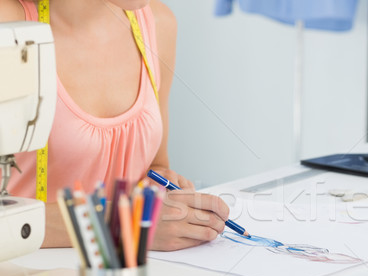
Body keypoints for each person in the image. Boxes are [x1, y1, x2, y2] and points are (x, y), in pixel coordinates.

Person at [0, 0, 230, 251]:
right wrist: (119, 223)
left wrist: (161, 183)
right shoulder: (8, 27)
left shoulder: (157, 24)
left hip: (121, 275)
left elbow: (156, 166)